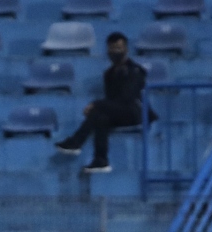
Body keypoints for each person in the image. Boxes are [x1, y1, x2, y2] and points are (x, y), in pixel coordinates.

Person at [54, 31, 149, 175]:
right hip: (117, 113)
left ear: (126, 49)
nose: (115, 52)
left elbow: (127, 98)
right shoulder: (108, 74)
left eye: (118, 48)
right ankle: (101, 160)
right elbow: (111, 99)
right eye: (112, 48)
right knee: (99, 117)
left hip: (133, 112)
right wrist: (99, 107)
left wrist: (96, 104)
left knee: (98, 108)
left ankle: (76, 141)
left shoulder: (136, 71)